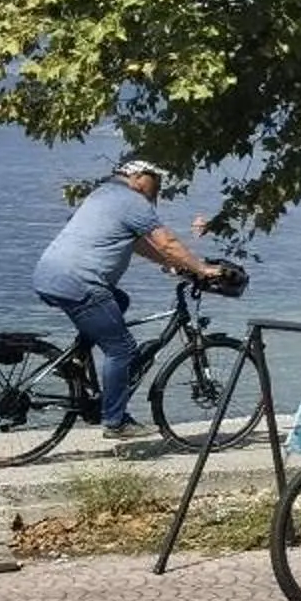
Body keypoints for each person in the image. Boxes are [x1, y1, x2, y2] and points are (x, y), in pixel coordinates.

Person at [32, 158, 219, 440]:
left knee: (119, 301)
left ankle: (77, 359)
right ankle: (115, 421)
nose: (158, 189)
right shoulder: (133, 201)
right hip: (80, 283)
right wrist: (202, 269)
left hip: (48, 275)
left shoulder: (102, 195)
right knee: (122, 349)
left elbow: (138, 244)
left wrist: (174, 264)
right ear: (140, 177)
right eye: (156, 182)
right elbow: (167, 243)